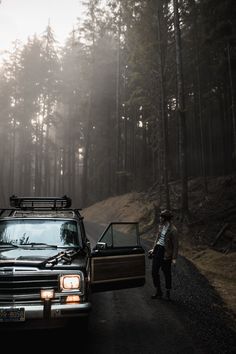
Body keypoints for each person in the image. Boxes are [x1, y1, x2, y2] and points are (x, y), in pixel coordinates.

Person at [148, 209, 178, 300]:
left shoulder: (173, 230)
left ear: (165, 218)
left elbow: (176, 245)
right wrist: (153, 249)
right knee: (154, 272)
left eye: (161, 216)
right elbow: (158, 239)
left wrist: (174, 258)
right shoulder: (160, 226)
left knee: (167, 273)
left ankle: (168, 292)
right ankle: (158, 292)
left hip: (166, 253)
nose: (159, 218)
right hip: (158, 250)